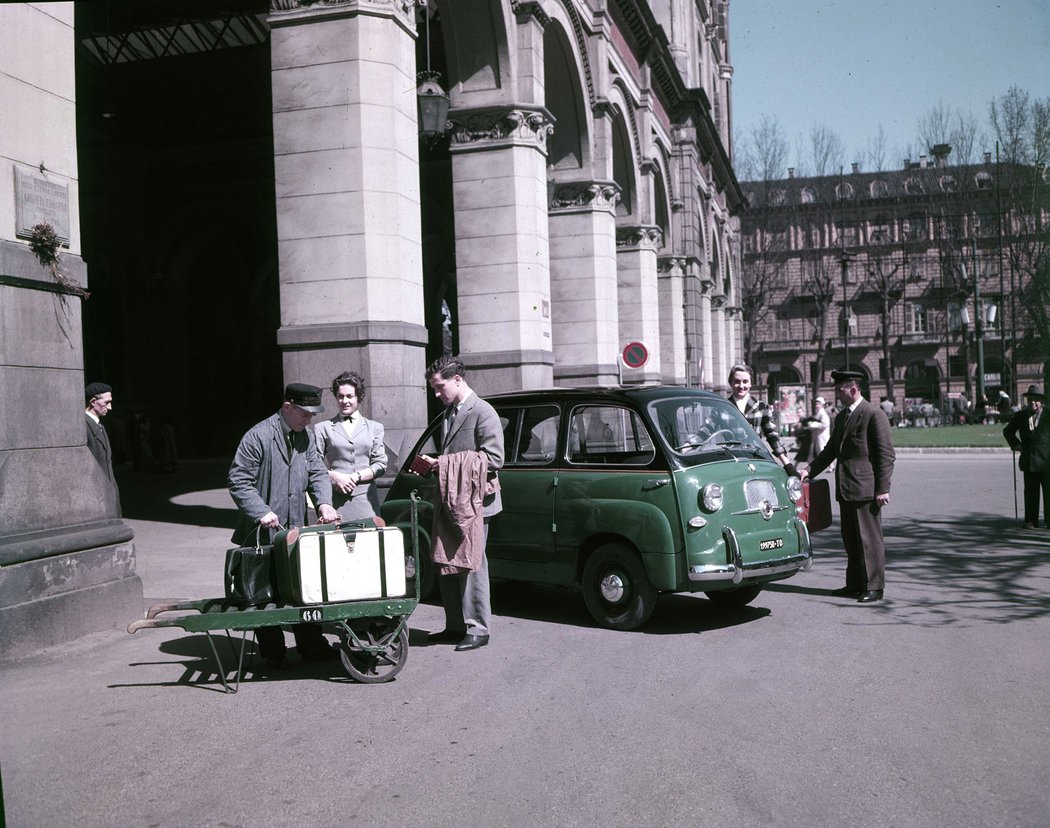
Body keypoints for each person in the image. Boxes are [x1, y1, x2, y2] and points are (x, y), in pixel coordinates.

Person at [228, 382, 341, 669]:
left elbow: (317, 472)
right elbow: (238, 480)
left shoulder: (306, 435)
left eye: (313, 415)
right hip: (263, 532)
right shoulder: (258, 436)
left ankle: (312, 645)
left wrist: (324, 503)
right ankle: (273, 652)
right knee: (266, 592)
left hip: (295, 529)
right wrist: (261, 511)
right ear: (287, 407)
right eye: (305, 414)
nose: (310, 419)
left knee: (304, 587)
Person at [416, 356, 504, 652]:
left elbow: (495, 459)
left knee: (472, 564)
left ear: (457, 380)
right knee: (448, 560)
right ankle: (455, 625)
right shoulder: (450, 413)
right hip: (453, 500)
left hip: (477, 503)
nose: (437, 395)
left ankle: (478, 628)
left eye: (440, 387)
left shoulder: (483, 412)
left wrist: (443, 463)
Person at [802, 369, 895, 603]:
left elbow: (886, 455)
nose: (836, 394)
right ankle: (854, 584)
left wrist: (883, 488)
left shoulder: (873, 414)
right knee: (851, 540)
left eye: (840, 389)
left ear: (853, 389)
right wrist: (808, 470)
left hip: (866, 489)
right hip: (846, 489)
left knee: (869, 540)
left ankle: (874, 586)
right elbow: (831, 451)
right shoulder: (843, 417)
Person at [314, 371, 388, 521]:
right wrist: (334, 476)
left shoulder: (374, 427)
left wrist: (356, 476)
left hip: (366, 501)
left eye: (349, 396)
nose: (344, 401)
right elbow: (314, 465)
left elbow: (380, 464)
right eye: (340, 396)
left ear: (358, 397)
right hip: (335, 500)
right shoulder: (323, 428)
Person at [726, 364, 796, 475]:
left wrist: (787, 464)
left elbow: (772, 435)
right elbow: (707, 429)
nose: (741, 385)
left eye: (745, 381)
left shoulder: (761, 407)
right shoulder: (724, 407)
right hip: (731, 461)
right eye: (737, 381)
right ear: (730, 383)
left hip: (755, 459)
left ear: (750, 383)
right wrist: (689, 446)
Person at [1004, 385, 1048, 529]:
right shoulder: (1021, 416)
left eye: (1036, 400)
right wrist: (1016, 444)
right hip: (1029, 461)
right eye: (1030, 400)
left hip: (1047, 462)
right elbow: (1008, 431)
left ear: (1042, 402)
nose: (1033, 402)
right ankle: (1031, 520)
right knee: (1030, 492)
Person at [85, 382, 121, 513]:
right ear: (93, 401)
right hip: (98, 496)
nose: (110, 407)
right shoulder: (85, 426)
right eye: (107, 402)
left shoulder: (99, 425)